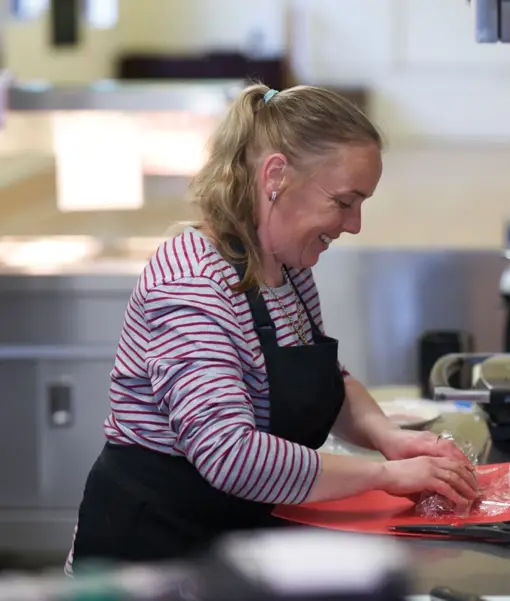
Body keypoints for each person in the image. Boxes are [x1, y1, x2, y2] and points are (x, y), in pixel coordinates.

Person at [66, 84, 478, 575]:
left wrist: (388, 436)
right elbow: (230, 453)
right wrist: (385, 474)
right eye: (344, 201)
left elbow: (331, 379)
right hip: (153, 552)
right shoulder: (191, 284)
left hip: (237, 538)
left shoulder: (288, 269)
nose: (355, 224)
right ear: (276, 175)